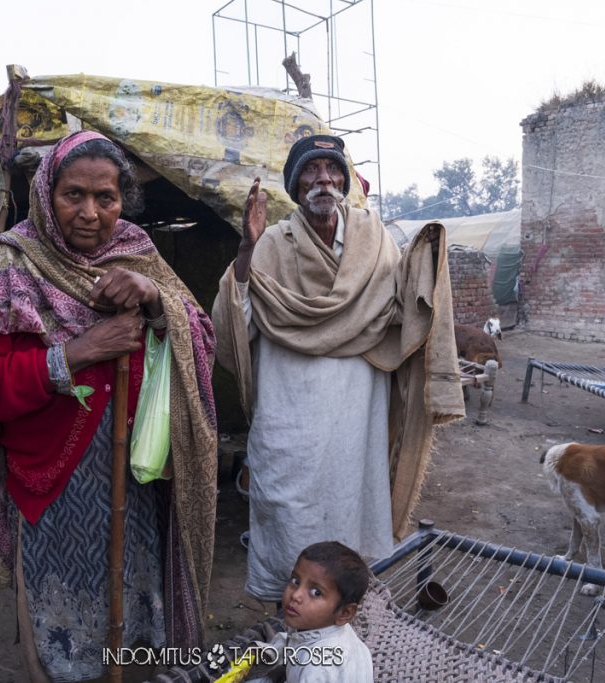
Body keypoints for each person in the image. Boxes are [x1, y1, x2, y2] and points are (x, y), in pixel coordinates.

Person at [0, 131, 218, 682]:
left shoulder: (140, 252)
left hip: (142, 479)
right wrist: (78, 352)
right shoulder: (8, 266)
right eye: (74, 195)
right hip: (56, 483)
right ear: (47, 194)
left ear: (123, 202)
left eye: (106, 198)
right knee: (67, 631)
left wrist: (154, 297)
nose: (90, 213)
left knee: (135, 602)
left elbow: (201, 337)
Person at [212, 134, 463, 605]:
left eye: (333, 170)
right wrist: (244, 252)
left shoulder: (375, 239)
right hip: (291, 410)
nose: (323, 179)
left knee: (351, 509)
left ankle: (347, 616)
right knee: (289, 509)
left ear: (345, 181)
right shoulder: (270, 244)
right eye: (311, 170)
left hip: (356, 412)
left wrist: (426, 263)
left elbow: (398, 310)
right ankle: (292, 618)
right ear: (295, 184)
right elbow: (232, 330)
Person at [270, 541, 374, 683]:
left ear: (345, 613)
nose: (296, 595)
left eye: (316, 592)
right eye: (295, 581)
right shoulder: (329, 629)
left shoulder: (317, 669)